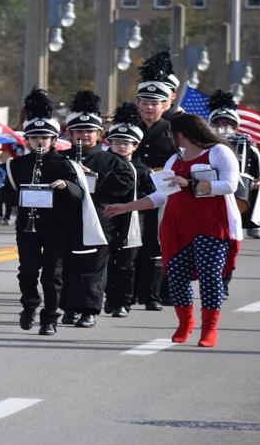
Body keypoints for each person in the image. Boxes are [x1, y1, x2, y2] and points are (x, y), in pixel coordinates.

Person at [102, 114, 242, 348]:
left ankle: (209, 328)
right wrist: (127, 207)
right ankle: (185, 323)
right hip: (176, 227)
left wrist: (191, 184)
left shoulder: (219, 152)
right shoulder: (173, 160)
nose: (169, 137)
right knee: (176, 276)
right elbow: (160, 196)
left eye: (171, 133)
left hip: (211, 225)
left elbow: (230, 185)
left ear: (184, 133)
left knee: (210, 277)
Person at [4, 89, 80, 335]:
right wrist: (21, 196)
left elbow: (80, 194)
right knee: (27, 270)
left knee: (52, 275)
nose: (39, 142)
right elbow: (6, 194)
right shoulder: (16, 165)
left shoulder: (65, 163)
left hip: (57, 226)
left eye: (44, 138)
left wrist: (65, 185)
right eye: (34, 137)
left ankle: (50, 318)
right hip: (27, 224)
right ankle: (29, 306)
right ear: (27, 139)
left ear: (53, 139)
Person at [56, 90, 133, 328]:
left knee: (93, 266)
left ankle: (88, 310)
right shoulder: (60, 158)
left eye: (89, 131)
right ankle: (68, 307)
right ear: (69, 133)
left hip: (100, 221)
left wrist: (94, 178)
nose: (84, 136)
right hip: (65, 220)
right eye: (78, 131)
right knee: (66, 265)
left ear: (100, 134)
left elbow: (124, 187)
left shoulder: (113, 161)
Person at [131, 50, 179, 312]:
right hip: (136, 188)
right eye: (145, 102)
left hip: (165, 189)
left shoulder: (176, 126)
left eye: (155, 102)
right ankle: (135, 290)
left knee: (160, 241)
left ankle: (161, 291)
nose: (149, 107)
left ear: (165, 104)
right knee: (133, 239)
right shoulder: (130, 125)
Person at [103, 102, 154, 318]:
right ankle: (109, 296)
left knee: (126, 264)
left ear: (135, 145)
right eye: (117, 142)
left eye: (127, 143)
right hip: (105, 221)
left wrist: (133, 204)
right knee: (105, 262)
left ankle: (123, 302)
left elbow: (152, 194)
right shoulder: (101, 164)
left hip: (132, 223)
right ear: (110, 143)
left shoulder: (143, 170)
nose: (122, 146)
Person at [207, 89, 260, 244]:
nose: (222, 127)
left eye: (226, 123)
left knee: (231, 233)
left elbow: (256, 174)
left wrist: (253, 182)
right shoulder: (203, 144)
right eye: (217, 123)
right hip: (209, 191)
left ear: (235, 126)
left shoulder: (248, 146)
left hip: (236, 193)